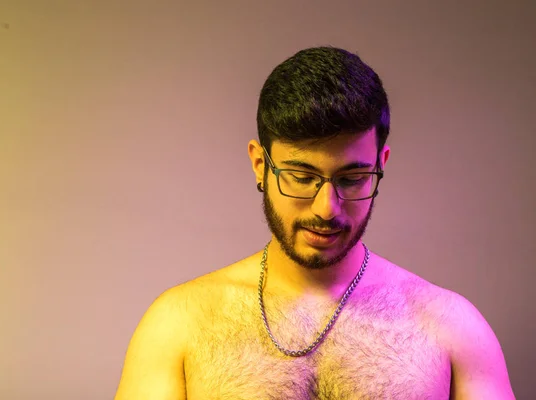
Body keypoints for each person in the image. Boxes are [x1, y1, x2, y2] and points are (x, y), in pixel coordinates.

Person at [114, 47, 515, 399]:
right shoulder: (179, 323)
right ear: (260, 165)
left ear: (380, 165)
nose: (327, 208)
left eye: (352, 179)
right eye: (302, 176)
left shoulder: (452, 327)